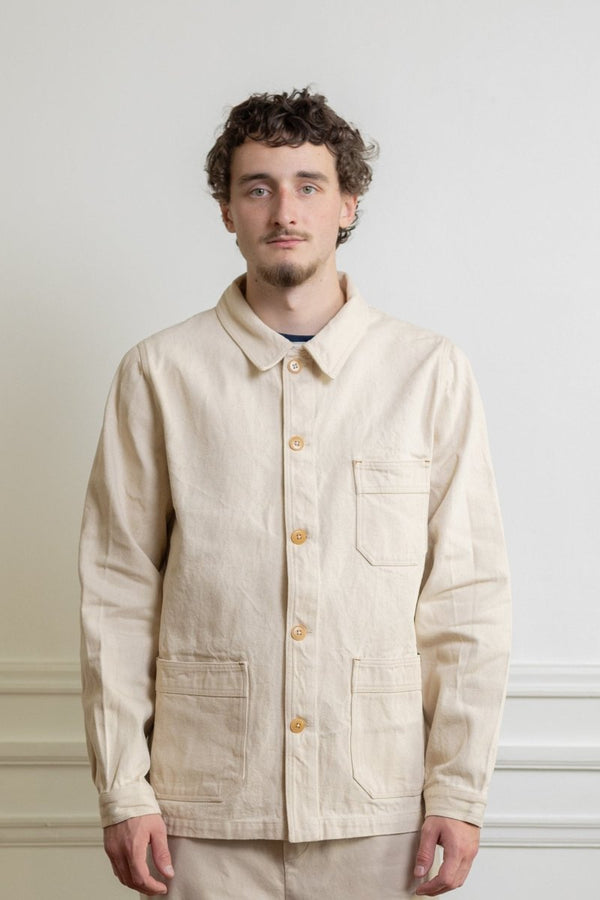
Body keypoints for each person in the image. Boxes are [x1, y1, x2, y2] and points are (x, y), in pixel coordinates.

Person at [79, 88, 511, 899]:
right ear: (226, 210)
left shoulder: (428, 373)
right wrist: (125, 791)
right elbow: (117, 593)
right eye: (259, 188)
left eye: (309, 185)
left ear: (348, 204)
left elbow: (467, 598)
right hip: (204, 815)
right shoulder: (160, 374)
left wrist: (458, 790)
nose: (285, 211)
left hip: (379, 812)